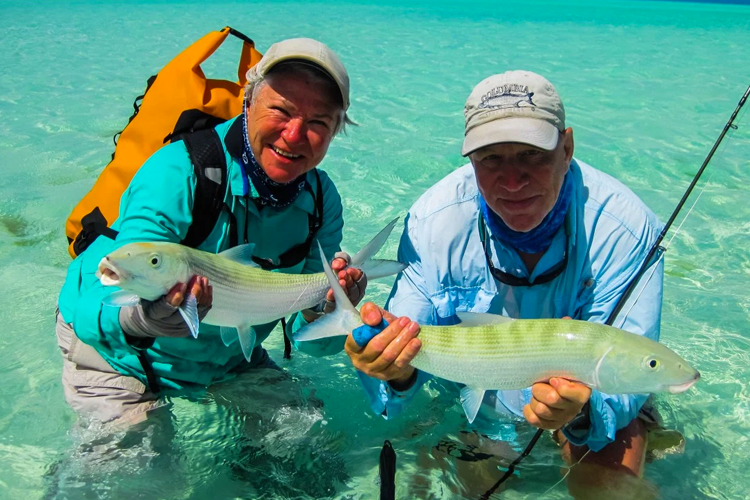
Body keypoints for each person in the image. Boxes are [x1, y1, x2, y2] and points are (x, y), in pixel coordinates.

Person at [346, 71, 664, 485]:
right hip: (473, 402)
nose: (513, 182)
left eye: (532, 154)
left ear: (566, 148)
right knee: (436, 485)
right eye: (491, 158)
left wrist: (583, 410)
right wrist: (393, 366)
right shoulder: (433, 223)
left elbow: (624, 372)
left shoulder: (623, 229)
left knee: (611, 488)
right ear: (471, 160)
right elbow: (408, 339)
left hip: (588, 407)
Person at [56, 38, 366, 426]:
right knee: (139, 478)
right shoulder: (178, 172)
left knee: (304, 443)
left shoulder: (321, 200)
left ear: (337, 131)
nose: (293, 135)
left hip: (228, 358)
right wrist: (144, 320)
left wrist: (329, 308)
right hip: (120, 358)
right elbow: (96, 304)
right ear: (247, 103)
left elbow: (318, 345)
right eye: (280, 111)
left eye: (318, 122)